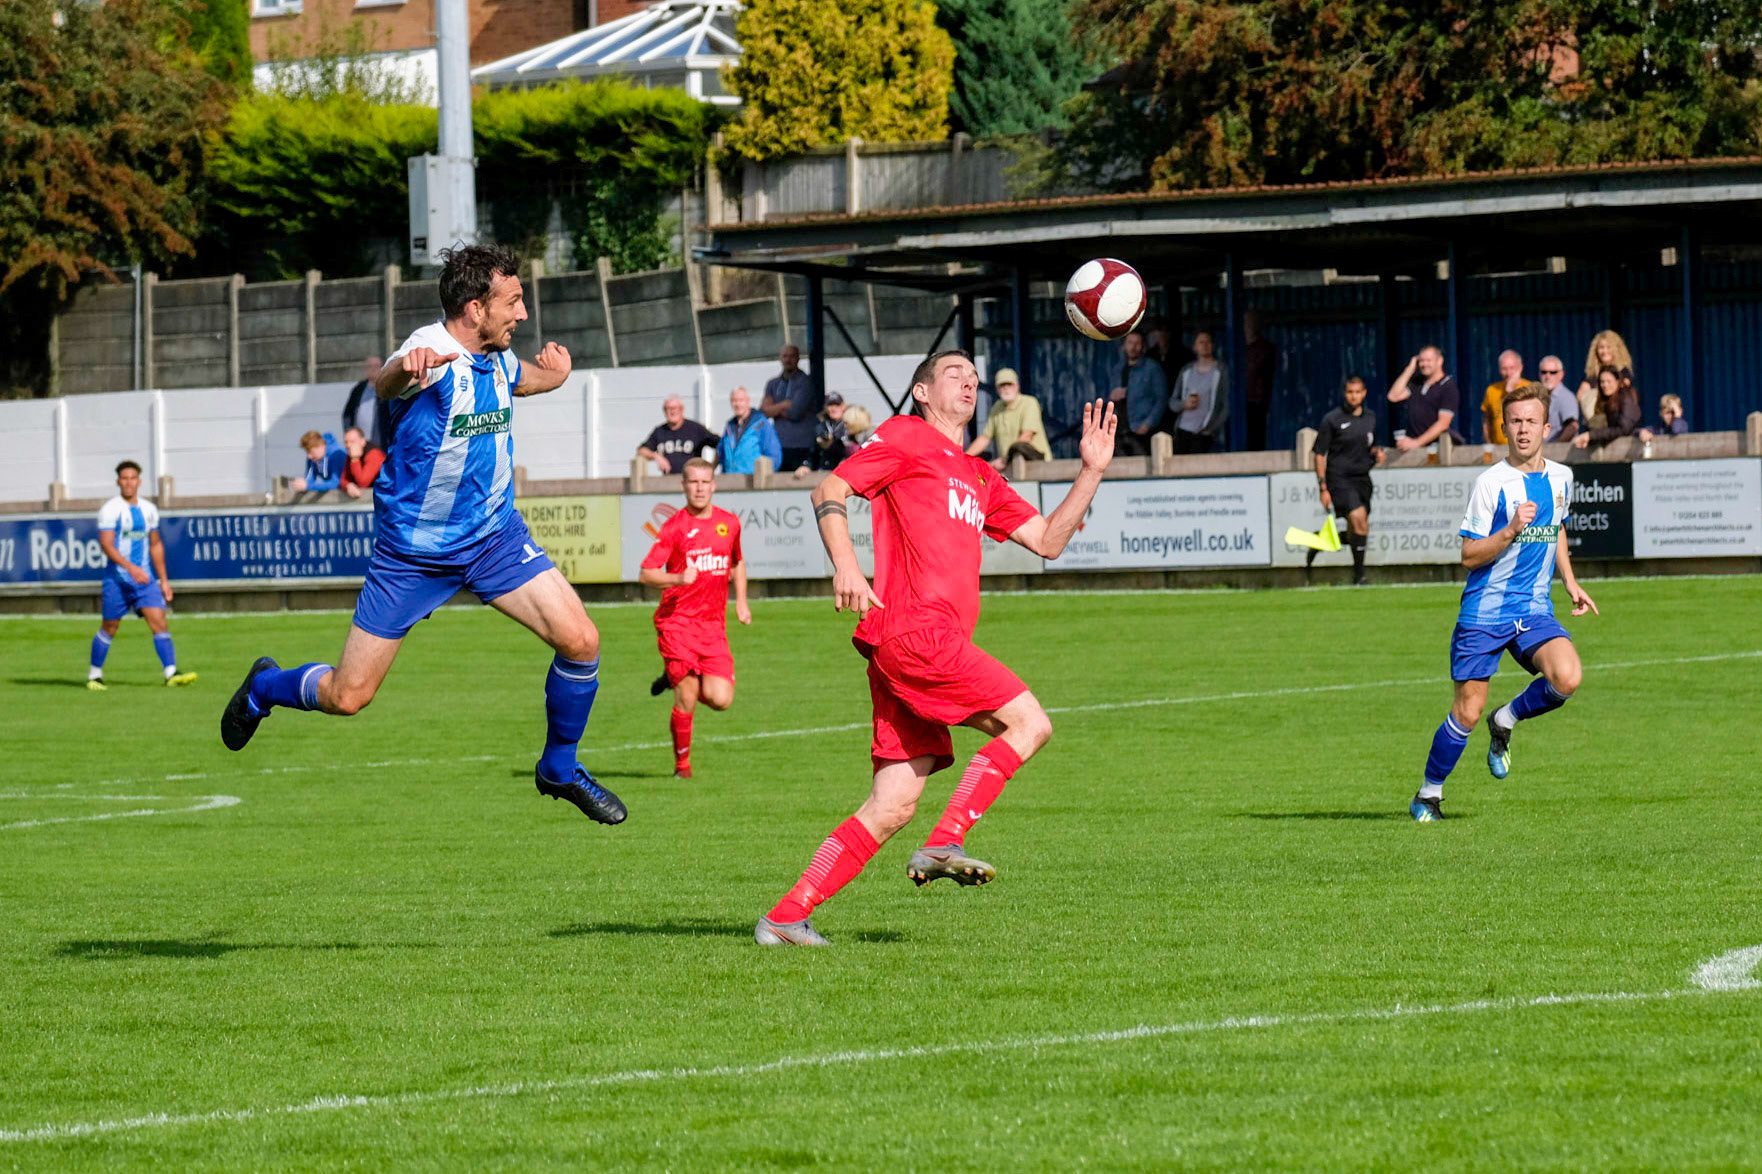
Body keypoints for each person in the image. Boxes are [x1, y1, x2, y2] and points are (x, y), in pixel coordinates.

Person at [218, 244, 628, 826]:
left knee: (582, 641)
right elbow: (390, 383)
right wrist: (398, 372)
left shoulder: (497, 357)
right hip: (412, 556)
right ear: (474, 307)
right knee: (348, 696)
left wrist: (555, 376)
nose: (524, 314)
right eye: (513, 301)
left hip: (494, 540)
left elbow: (523, 380)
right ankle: (265, 688)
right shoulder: (425, 352)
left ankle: (559, 769)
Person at [753, 350, 1118, 947]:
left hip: (909, 648)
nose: (970, 383)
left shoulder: (979, 475)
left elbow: (1049, 540)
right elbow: (830, 488)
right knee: (1029, 723)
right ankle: (948, 839)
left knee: (893, 802)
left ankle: (786, 918)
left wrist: (1091, 470)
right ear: (922, 392)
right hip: (918, 634)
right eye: (955, 374)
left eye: (975, 377)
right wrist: (847, 568)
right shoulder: (905, 436)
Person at [1410, 383, 1598, 822]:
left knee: (1567, 677)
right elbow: (1468, 556)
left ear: (1547, 427)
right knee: (1467, 711)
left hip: (1533, 610)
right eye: (1515, 421)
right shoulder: (1490, 483)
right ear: (1504, 427)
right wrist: (1511, 529)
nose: (1523, 429)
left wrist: (1570, 581)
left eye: (1531, 421)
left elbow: (1557, 530)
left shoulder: (1561, 478)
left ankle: (1507, 719)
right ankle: (1428, 794)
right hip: (1485, 613)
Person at [638, 459, 752, 778]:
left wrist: (741, 602)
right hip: (677, 623)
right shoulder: (674, 527)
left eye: (705, 482)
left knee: (721, 699)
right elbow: (646, 573)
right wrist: (676, 579)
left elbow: (737, 562)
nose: (699, 488)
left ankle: (674, 675)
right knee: (687, 696)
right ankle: (682, 767)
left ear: (713, 485)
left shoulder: (729, 523)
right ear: (683, 486)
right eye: (693, 482)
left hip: (713, 627)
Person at [87, 460, 198, 691]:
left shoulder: (149, 510)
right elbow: (107, 545)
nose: (128, 482)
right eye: (124, 478)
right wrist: (130, 567)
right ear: (118, 481)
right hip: (117, 580)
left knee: (159, 621)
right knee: (109, 626)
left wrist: (164, 580)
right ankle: (94, 675)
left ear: (139, 481)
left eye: (132, 478)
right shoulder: (110, 509)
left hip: (145, 580)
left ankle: (171, 673)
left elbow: (155, 545)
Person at [1312, 376, 1385, 585]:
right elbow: (1319, 454)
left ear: (1364, 394)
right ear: (1345, 394)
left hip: (1363, 478)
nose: (1354, 396)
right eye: (1349, 392)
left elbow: (1372, 446)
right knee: (1358, 518)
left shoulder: (1371, 418)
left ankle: (1322, 540)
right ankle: (1359, 576)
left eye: (1357, 392)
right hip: (1339, 479)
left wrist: (1377, 454)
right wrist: (1322, 487)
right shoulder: (1332, 419)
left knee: (1360, 528)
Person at [965, 367, 1051, 469]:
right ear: (997, 389)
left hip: (1037, 466)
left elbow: (1027, 436)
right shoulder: (997, 408)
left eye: (1009, 384)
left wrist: (1005, 459)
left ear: (1017, 386)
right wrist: (964, 458)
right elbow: (985, 438)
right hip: (1010, 467)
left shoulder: (1029, 403)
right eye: (1002, 385)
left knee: (1020, 447)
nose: (1006, 388)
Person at [1386, 345, 1465, 450]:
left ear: (1439, 361)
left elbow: (1443, 424)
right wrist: (1409, 370)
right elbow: (1393, 396)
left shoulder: (1448, 387)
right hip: (1413, 448)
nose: (1424, 364)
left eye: (1428, 360)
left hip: (1435, 450)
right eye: (1421, 361)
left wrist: (1417, 443)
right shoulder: (1417, 383)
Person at [760, 344, 820, 471]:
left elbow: (795, 412)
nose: (788, 360)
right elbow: (764, 411)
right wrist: (784, 404)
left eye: (792, 356)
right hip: (779, 445)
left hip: (802, 446)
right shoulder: (773, 383)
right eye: (785, 356)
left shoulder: (806, 382)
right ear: (780, 358)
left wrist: (774, 409)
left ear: (798, 358)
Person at [1170, 331, 1229, 454]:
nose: (1205, 345)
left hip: (1204, 432)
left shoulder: (1220, 371)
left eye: (1208, 342)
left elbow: (1226, 405)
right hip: (1183, 430)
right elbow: (1172, 402)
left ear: (1213, 345)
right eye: (1201, 342)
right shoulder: (1186, 371)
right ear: (1195, 347)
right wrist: (1184, 404)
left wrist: (1211, 429)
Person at [1112, 330, 1164, 456]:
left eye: (1137, 343)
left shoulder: (1153, 368)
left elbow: (1161, 399)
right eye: (1130, 342)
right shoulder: (1118, 369)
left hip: (1141, 429)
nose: (1133, 347)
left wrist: (1148, 423)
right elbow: (1112, 396)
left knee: (1144, 469)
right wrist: (1112, 396)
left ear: (1143, 347)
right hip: (1120, 429)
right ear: (1124, 345)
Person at [636, 395, 718, 476]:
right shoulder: (659, 431)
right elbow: (641, 451)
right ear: (664, 411)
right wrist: (656, 456)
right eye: (668, 409)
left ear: (682, 409)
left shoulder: (695, 429)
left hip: (691, 481)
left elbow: (720, 444)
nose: (672, 411)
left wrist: (712, 467)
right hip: (669, 482)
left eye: (675, 408)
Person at [1572, 366, 1642, 450]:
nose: (1605, 385)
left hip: (1631, 450)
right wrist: (1590, 440)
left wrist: (1591, 436)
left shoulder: (1627, 398)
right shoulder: (1603, 401)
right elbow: (1604, 431)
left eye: (1609, 381)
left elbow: (1623, 429)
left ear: (1617, 381)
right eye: (1602, 382)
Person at [717, 386, 782, 474]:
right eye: (734, 400)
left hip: (753, 482)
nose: (737, 404)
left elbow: (774, 455)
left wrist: (764, 479)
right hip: (731, 481)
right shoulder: (729, 426)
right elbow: (720, 453)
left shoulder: (761, 424)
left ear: (748, 401)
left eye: (741, 400)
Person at [1578, 330, 1634, 428]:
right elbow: (1580, 395)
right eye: (1601, 348)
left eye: (1608, 347)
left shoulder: (1623, 372)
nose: (1604, 351)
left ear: (1616, 349)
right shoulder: (1593, 375)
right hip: (1597, 421)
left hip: (1618, 420)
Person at [1243, 309, 1278, 451]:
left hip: (1256, 401)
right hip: (1239, 401)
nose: (1250, 326)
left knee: (1256, 439)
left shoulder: (1266, 348)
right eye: (1247, 322)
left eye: (1253, 322)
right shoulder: (1238, 347)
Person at [342, 355, 392, 451]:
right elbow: (347, 414)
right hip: (360, 446)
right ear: (365, 369)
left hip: (382, 444)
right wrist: (350, 434)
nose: (373, 369)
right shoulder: (358, 389)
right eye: (369, 366)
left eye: (376, 366)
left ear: (383, 368)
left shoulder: (388, 388)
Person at [1481, 349, 1528, 447]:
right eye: (1504, 369)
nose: (1508, 373)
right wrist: (1489, 443)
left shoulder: (1530, 388)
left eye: (1512, 368)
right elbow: (1486, 420)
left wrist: (1510, 390)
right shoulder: (1492, 390)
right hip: (1498, 448)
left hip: (1523, 447)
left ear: (1520, 368)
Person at [1537, 355, 1580, 443]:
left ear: (1561, 375)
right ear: (1539, 374)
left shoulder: (1566, 397)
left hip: (1556, 454)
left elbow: (1573, 426)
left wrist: (1557, 447)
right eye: (1544, 372)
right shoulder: (1538, 396)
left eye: (1552, 372)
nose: (1547, 376)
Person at [339, 427, 384, 499]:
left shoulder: (374, 455)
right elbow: (343, 479)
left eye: (352, 441)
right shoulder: (350, 455)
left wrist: (355, 460)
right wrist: (348, 485)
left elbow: (363, 483)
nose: (348, 445)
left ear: (363, 441)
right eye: (346, 442)